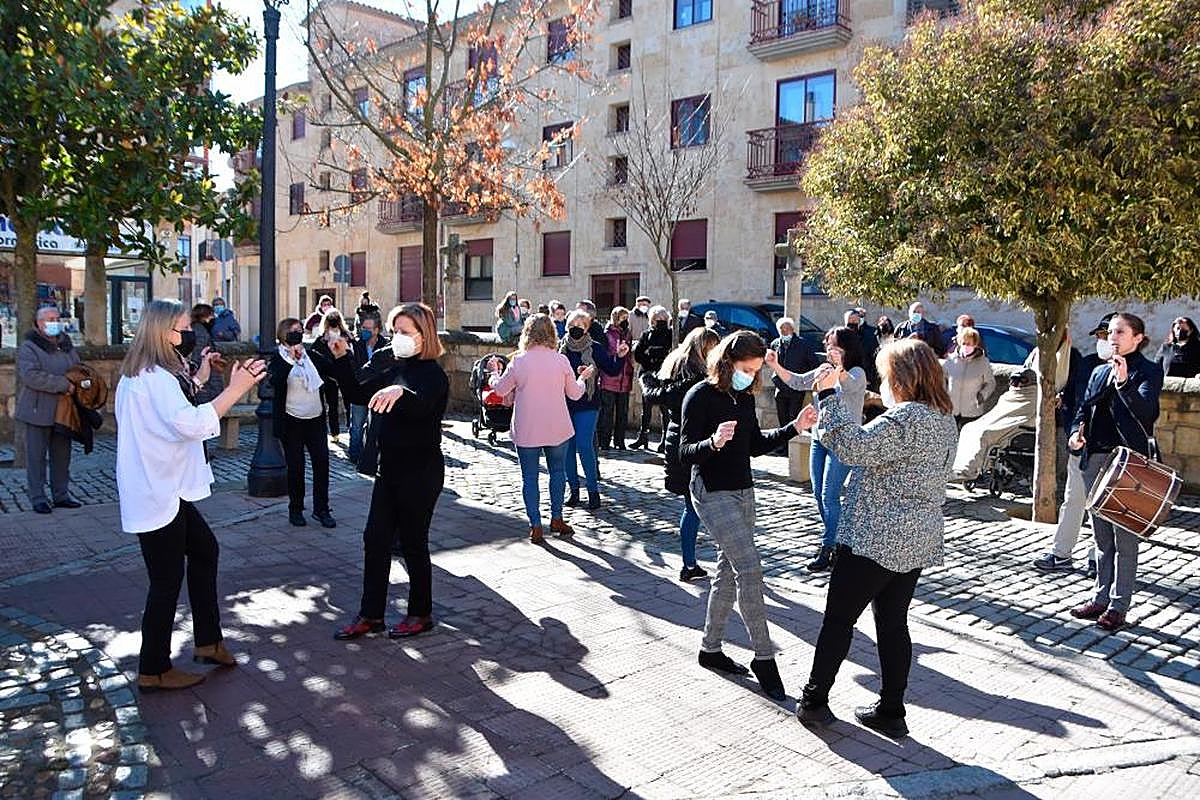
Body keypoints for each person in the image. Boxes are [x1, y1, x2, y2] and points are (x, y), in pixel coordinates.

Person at [795, 339, 957, 737]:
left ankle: (814, 701)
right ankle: (891, 709)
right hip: (915, 538)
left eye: (886, 376)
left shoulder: (904, 420)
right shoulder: (943, 418)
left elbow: (851, 448)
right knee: (892, 623)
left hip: (875, 537)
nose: (883, 383)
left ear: (901, 379)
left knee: (838, 621)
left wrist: (830, 394)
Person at [115, 299, 267, 690]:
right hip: (158, 492)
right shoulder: (153, 378)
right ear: (164, 332)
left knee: (204, 551)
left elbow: (175, 406)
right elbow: (191, 422)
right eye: (183, 328)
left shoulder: (149, 374)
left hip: (166, 488)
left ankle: (208, 641)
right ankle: (153, 668)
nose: (189, 335)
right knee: (165, 581)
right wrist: (236, 388)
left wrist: (199, 376)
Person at [680, 331, 801, 701]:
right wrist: (712, 442)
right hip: (711, 492)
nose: (750, 375)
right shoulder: (699, 396)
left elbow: (755, 446)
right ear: (727, 362)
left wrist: (795, 427)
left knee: (727, 572)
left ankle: (710, 649)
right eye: (745, 368)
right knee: (749, 569)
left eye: (754, 370)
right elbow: (684, 452)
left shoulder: (744, 396)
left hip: (744, 492)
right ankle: (764, 657)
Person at [330, 303, 449, 641]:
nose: (397, 337)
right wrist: (340, 360)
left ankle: (420, 614)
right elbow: (357, 393)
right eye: (395, 330)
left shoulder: (433, 374)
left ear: (423, 335)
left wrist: (401, 392)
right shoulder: (391, 364)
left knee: (412, 543)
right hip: (389, 469)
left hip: (421, 472)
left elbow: (421, 404)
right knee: (375, 540)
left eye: (405, 331)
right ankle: (371, 615)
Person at [1067, 313, 1163, 631]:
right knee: (1101, 537)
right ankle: (1100, 597)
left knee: (1125, 540)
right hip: (1094, 459)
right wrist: (1075, 433)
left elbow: (1147, 413)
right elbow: (1083, 408)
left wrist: (1124, 382)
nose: (1112, 336)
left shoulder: (1147, 370)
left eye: (1120, 331)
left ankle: (1119, 606)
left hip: (1128, 463)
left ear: (1137, 337)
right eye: (1110, 331)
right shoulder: (1097, 369)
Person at [766, 327, 868, 572]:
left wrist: (836, 371)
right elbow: (798, 381)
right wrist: (775, 365)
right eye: (828, 346)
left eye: (836, 347)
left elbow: (850, 386)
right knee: (818, 495)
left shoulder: (857, 372)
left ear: (847, 349)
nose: (830, 351)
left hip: (842, 441)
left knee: (829, 495)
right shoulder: (824, 370)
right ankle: (838, 539)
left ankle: (829, 548)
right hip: (819, 438)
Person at [489, 314, 595, 542]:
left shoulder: (519, 361)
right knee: (558, 472)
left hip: (527, 426)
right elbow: (575, 394)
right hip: (556, 425)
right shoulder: (560, 361)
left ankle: (535, 524)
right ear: (551, 334)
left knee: (529, 477)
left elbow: (499, 390)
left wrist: (494, 374)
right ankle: (556, 518)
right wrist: (583, 378)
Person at [1033, 314, 1113, 575]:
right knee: (1073, 500)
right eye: (1100, 337)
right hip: (1080, 445)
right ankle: (1061, 553)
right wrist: (1071, 430)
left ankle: (1097, 557)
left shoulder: (1129, 370)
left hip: (1109, 448)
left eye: (1107, 336)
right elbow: (1072, 400)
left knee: (1101, 506)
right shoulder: (1087, 364)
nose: (1103, 341)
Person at [650, 326, 721, 581]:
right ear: (704, 348)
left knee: (692, 507)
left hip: (676, 440)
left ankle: (689, 563)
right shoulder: (696, 380)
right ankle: (694, 565)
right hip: (694, 445)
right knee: (702, 508)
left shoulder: (675, 367)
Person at [952, 335, 1072, 481]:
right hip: (1016, 404)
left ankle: (970, 469)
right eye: (1014, 381)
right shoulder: (1036, 354)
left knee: (985, 433)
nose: (1017, 383)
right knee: (969, 428)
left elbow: (1072, 384)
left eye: (1021, 381)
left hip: (1031, 412)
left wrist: (1062, 395)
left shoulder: (1069, 359)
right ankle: (962, 467)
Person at [268, 318, 340, 529]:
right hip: (292, 420)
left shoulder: (310, 355)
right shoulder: (278, 357)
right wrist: (291, 358)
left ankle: (322, 509)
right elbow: (276, 380)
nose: (297, 334)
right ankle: (296, 509)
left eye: (300, 330)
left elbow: (330, 368)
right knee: (296, 467)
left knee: (322, 463)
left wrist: (334, 349)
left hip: (315, 418)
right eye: (292, 331)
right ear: (283, 334)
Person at [15, 306, 81, 514]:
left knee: (62, 456)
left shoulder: (66, 344)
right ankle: (38, 498)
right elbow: (31, 376)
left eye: (56, 318)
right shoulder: (29, 346)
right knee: (36, 457)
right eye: (49, 319)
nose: (54, 322)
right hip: (37, 409)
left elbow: (77, 368)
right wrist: (63, 384)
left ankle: (61, 495)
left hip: (63, 410)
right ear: (39, 323)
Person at [560, 310, 623, 510]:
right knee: (567, 448)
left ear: (587, 328)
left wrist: (620, 357)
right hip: (564, 403)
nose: (576, 327)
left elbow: (611, 370)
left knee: (584, 444)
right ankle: (574, 490)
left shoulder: (595, 348)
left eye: (581, 324)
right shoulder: (560, 349)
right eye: (573, 323)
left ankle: (593, 491)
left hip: (587, 403)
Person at [768, 317, 819, 454]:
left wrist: (804, 380)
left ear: (792, 329)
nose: (784, 332)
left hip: (796, 388)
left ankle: (793, 447)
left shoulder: (803, 345)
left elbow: (813, 364)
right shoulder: (775, 344)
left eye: (787, 329)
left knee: (794, 418)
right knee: (782, 418)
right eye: (781, 330)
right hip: (780, 388)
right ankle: (783, 447)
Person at [347, 312, 388, 463]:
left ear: (377, 330)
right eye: (363, 327)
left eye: (368, 328)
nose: (365, 331)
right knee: (356, 427)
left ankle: (373, 457)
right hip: (359, 393)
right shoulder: (356, 345)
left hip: (378, 394)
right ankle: (355, 456)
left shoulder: (385, 345)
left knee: (377, 428)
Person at [631, 305, 673, 451]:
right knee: (646, 407)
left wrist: (657, 353)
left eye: (662, 318)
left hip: (664, 374)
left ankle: (665, 439)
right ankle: (643, 436)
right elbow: (639, 354)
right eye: (657, 319)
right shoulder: (646, 334)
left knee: (665, 408)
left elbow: (671, 354)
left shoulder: (670, 334)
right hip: (648, 373)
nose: (659, 321)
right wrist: (649, 357)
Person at [597, 306, 634, 452]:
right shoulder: (607, 334)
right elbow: (604, 354)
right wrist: (616, 354)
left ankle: (620, 440)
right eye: (622, 318)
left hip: (625, 377)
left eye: (627, 318)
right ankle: (604, 441)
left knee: (622, 412)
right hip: (609, 378)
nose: (625, 321)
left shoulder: (628, 334)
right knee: (607, 411)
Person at [312, 309, 354, 438]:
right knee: (332, 405)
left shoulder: (347, 336)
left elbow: (353, 353)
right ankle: (335, 432)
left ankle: (349, 429)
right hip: (329, 376)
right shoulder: (321, 340)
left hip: (345, 374)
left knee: (349, 403)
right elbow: (315, 355)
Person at [943, 326, 996, 426]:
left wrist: (981, 396)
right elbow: (942, 380)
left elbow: (991, 383)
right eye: (964, 343)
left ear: (975, 344)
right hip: (951, 410)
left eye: (969, 344)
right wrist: (944, 396)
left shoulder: (983, 362)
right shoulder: (950, 360)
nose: (966, 346)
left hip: (972, 412)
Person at [189, 303, 225, 405]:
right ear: (204, 316)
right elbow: (198, 356)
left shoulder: (198, 329)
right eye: (211, 315)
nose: (213, 318)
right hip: (207, 385)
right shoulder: (200, 332)